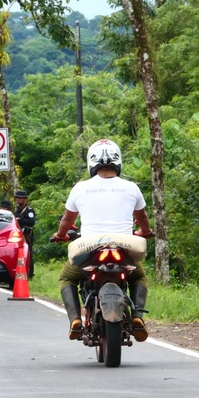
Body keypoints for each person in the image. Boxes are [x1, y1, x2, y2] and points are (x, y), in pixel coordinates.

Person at [51, 139, 153, 342]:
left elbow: (66, 221)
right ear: (118, 162)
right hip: (124, 246)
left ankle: (75, 320)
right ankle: (137, 317)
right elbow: (142, 219)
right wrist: (146, 231)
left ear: (92, 163)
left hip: (89, 246)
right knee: (138, 277)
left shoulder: (80, 188)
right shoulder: (131, 187)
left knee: (67, 278)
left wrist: (61, 235)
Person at [13, 189, 36, 277]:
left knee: (28, 252)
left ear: (24, 199)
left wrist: (20, 220)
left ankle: (30, 273)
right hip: (19, 234)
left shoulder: (29, 210)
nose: (17, 200)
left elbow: (31, 222)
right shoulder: (18, 210)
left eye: (19, 198)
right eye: (16, 198)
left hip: (27, 234)